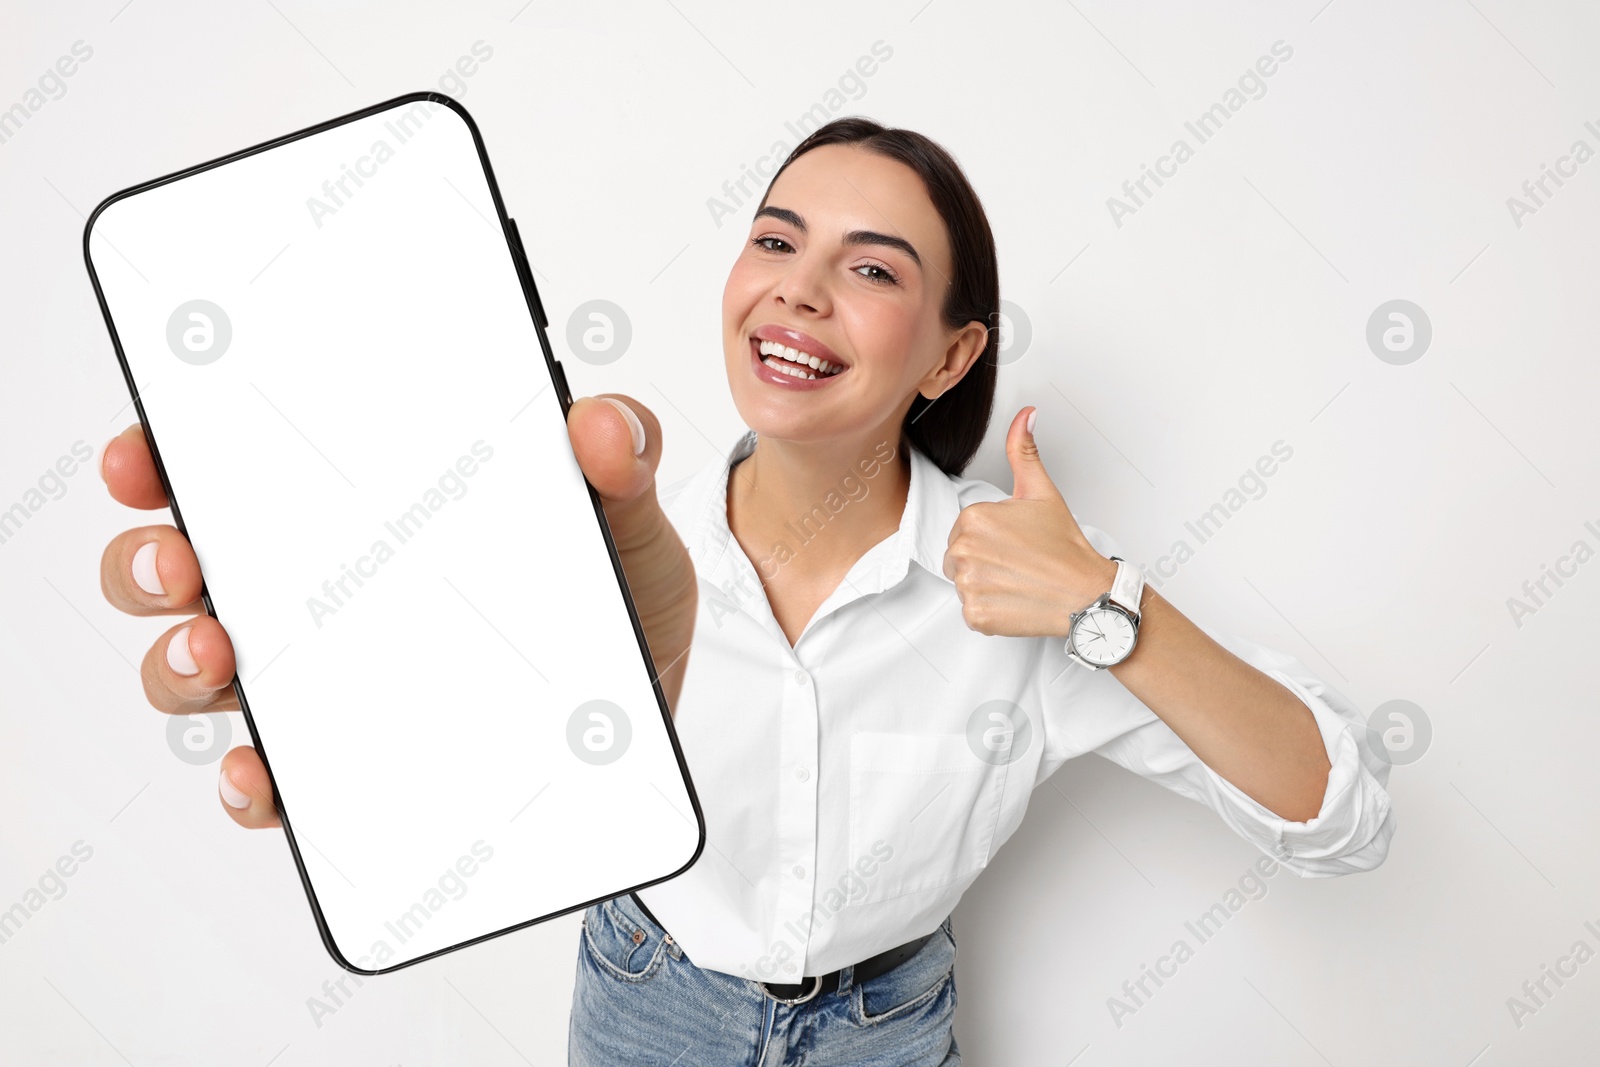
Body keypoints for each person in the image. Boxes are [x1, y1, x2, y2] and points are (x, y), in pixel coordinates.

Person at [97, 117, 1396, 1065]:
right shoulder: (599, 543)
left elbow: (1341, 813)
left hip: (886, 1032)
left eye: (874, 268)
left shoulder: (1027, 587)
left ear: (953, 355)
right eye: (777, 239)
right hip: (642, 993)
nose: (800, 285)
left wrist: (1111, 607)